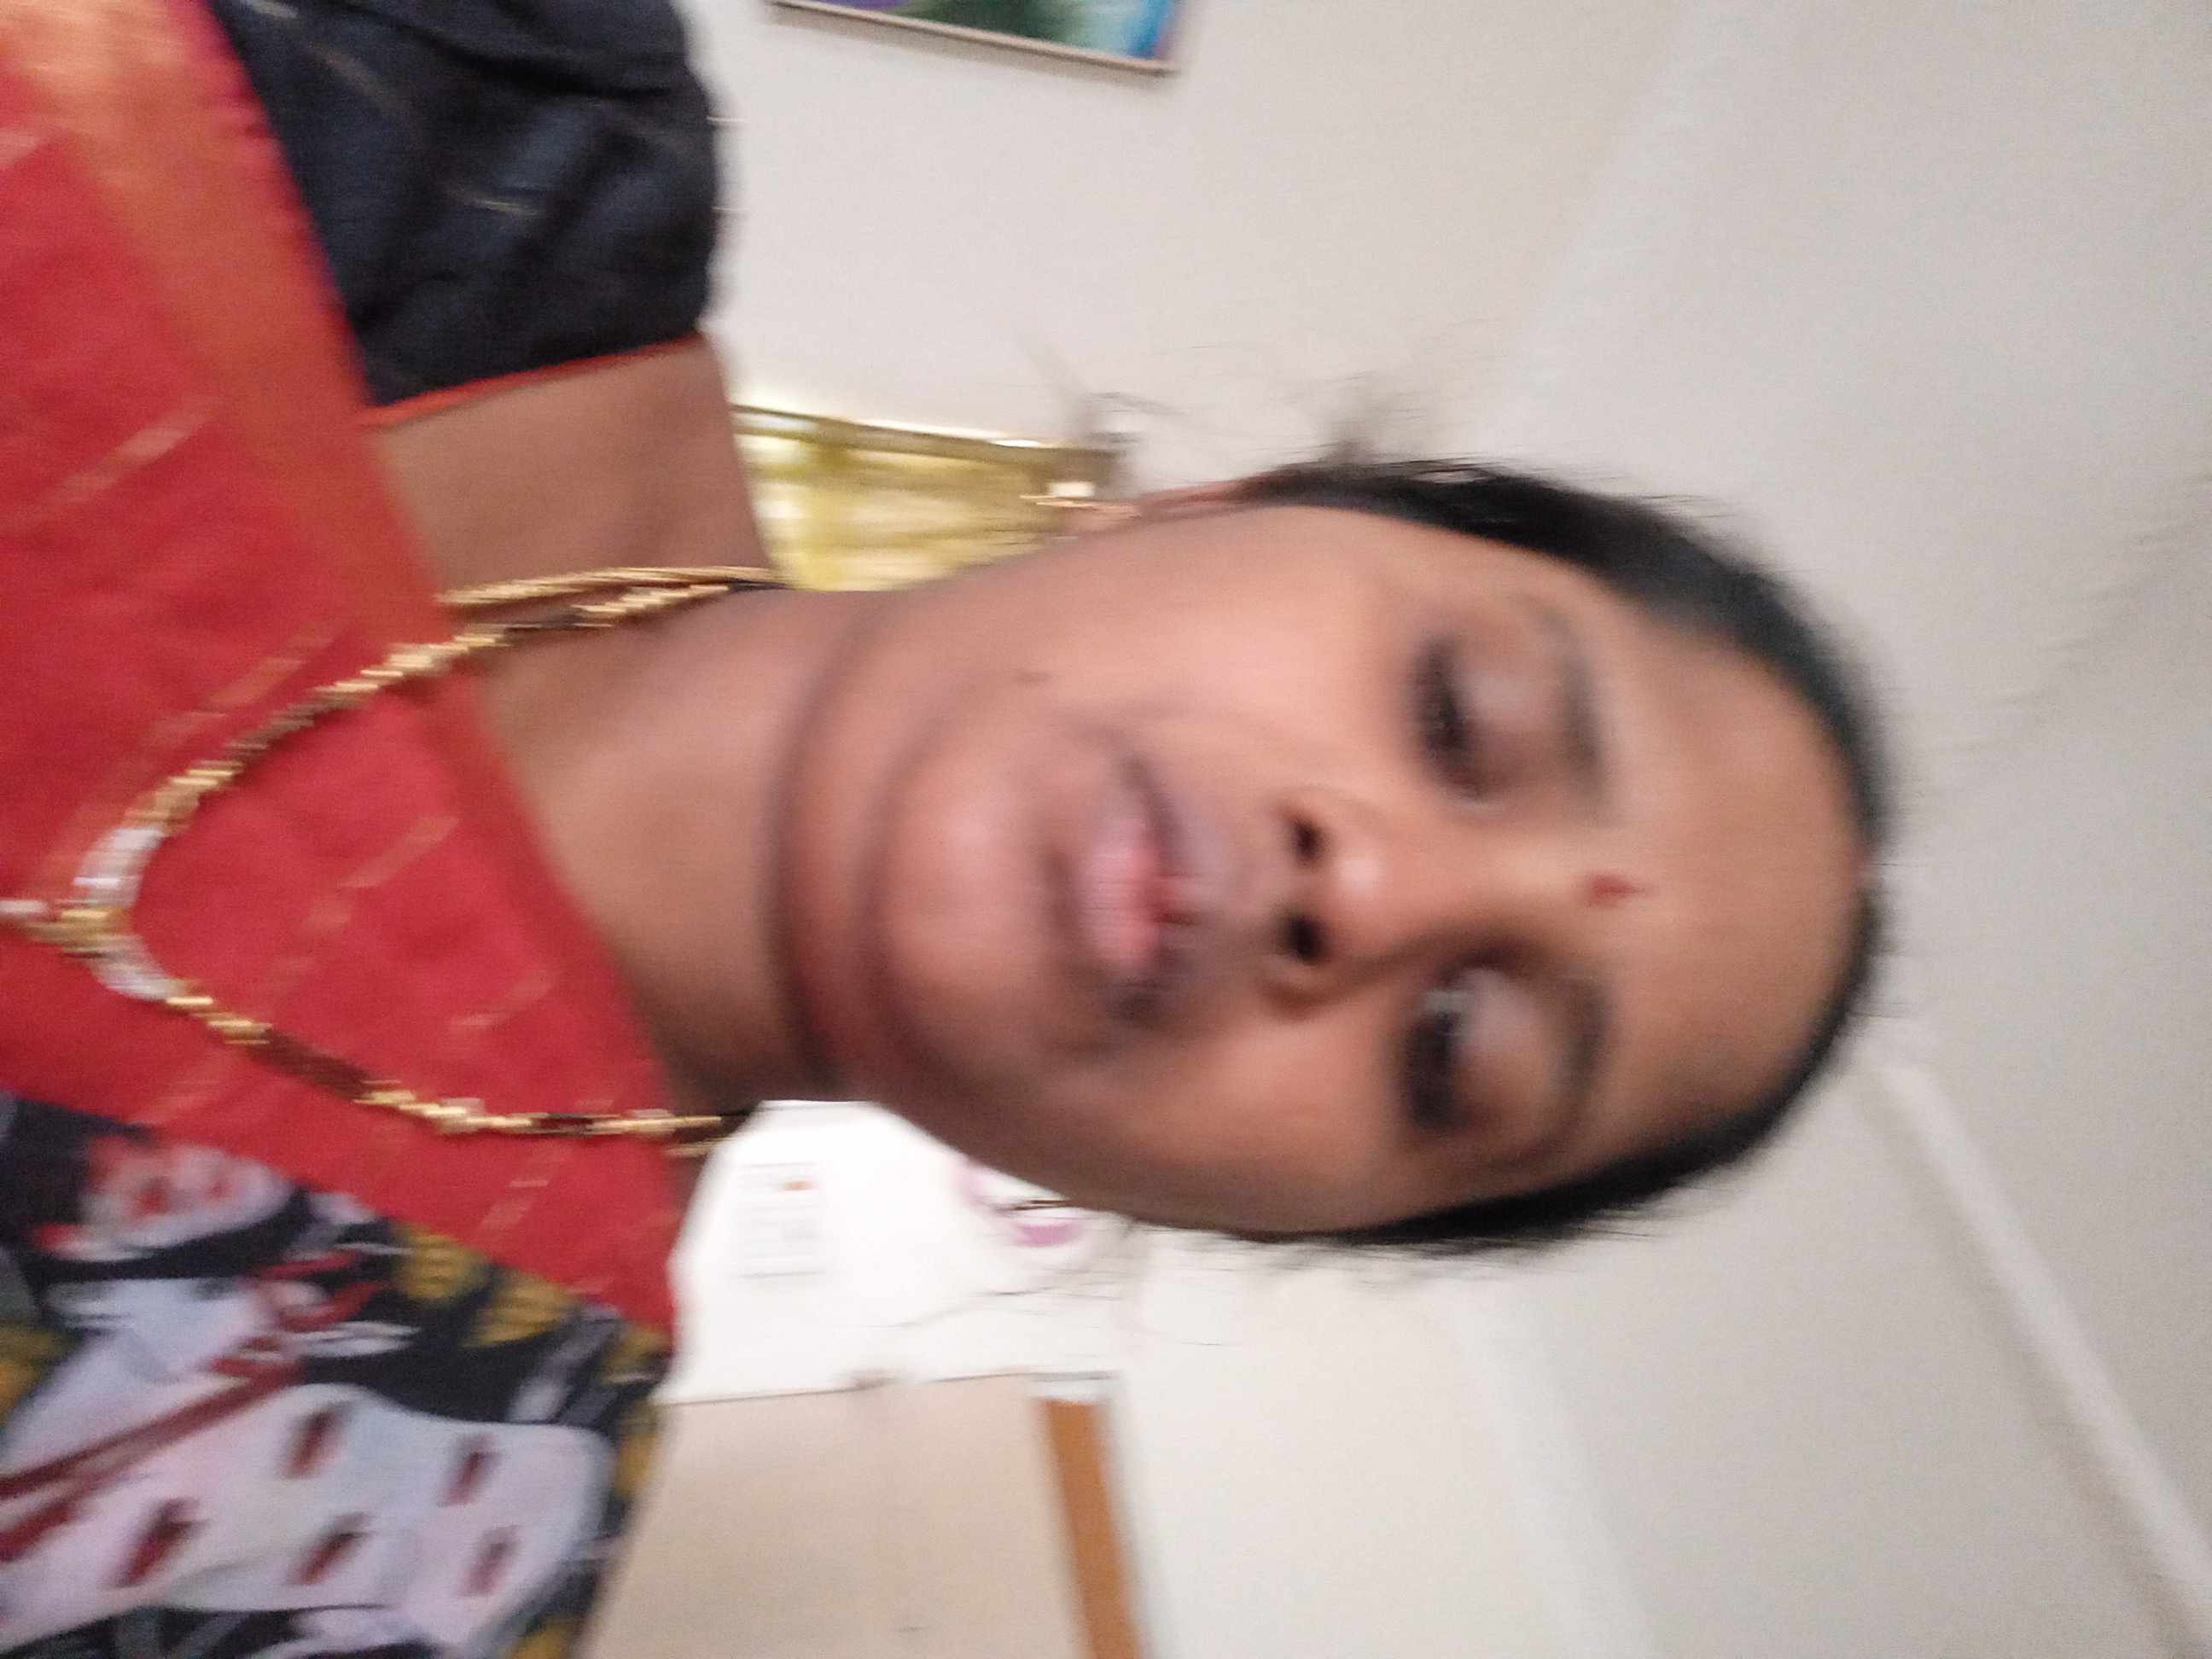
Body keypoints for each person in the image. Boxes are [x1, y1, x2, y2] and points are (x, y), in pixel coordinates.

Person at [0, 0, 1885, 1651]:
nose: (1372, 893)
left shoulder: (402, 1516)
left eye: (1456, 1046)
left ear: (1263, 1220)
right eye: (1459, 715)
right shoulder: (497, 82)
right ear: (1222, 503)